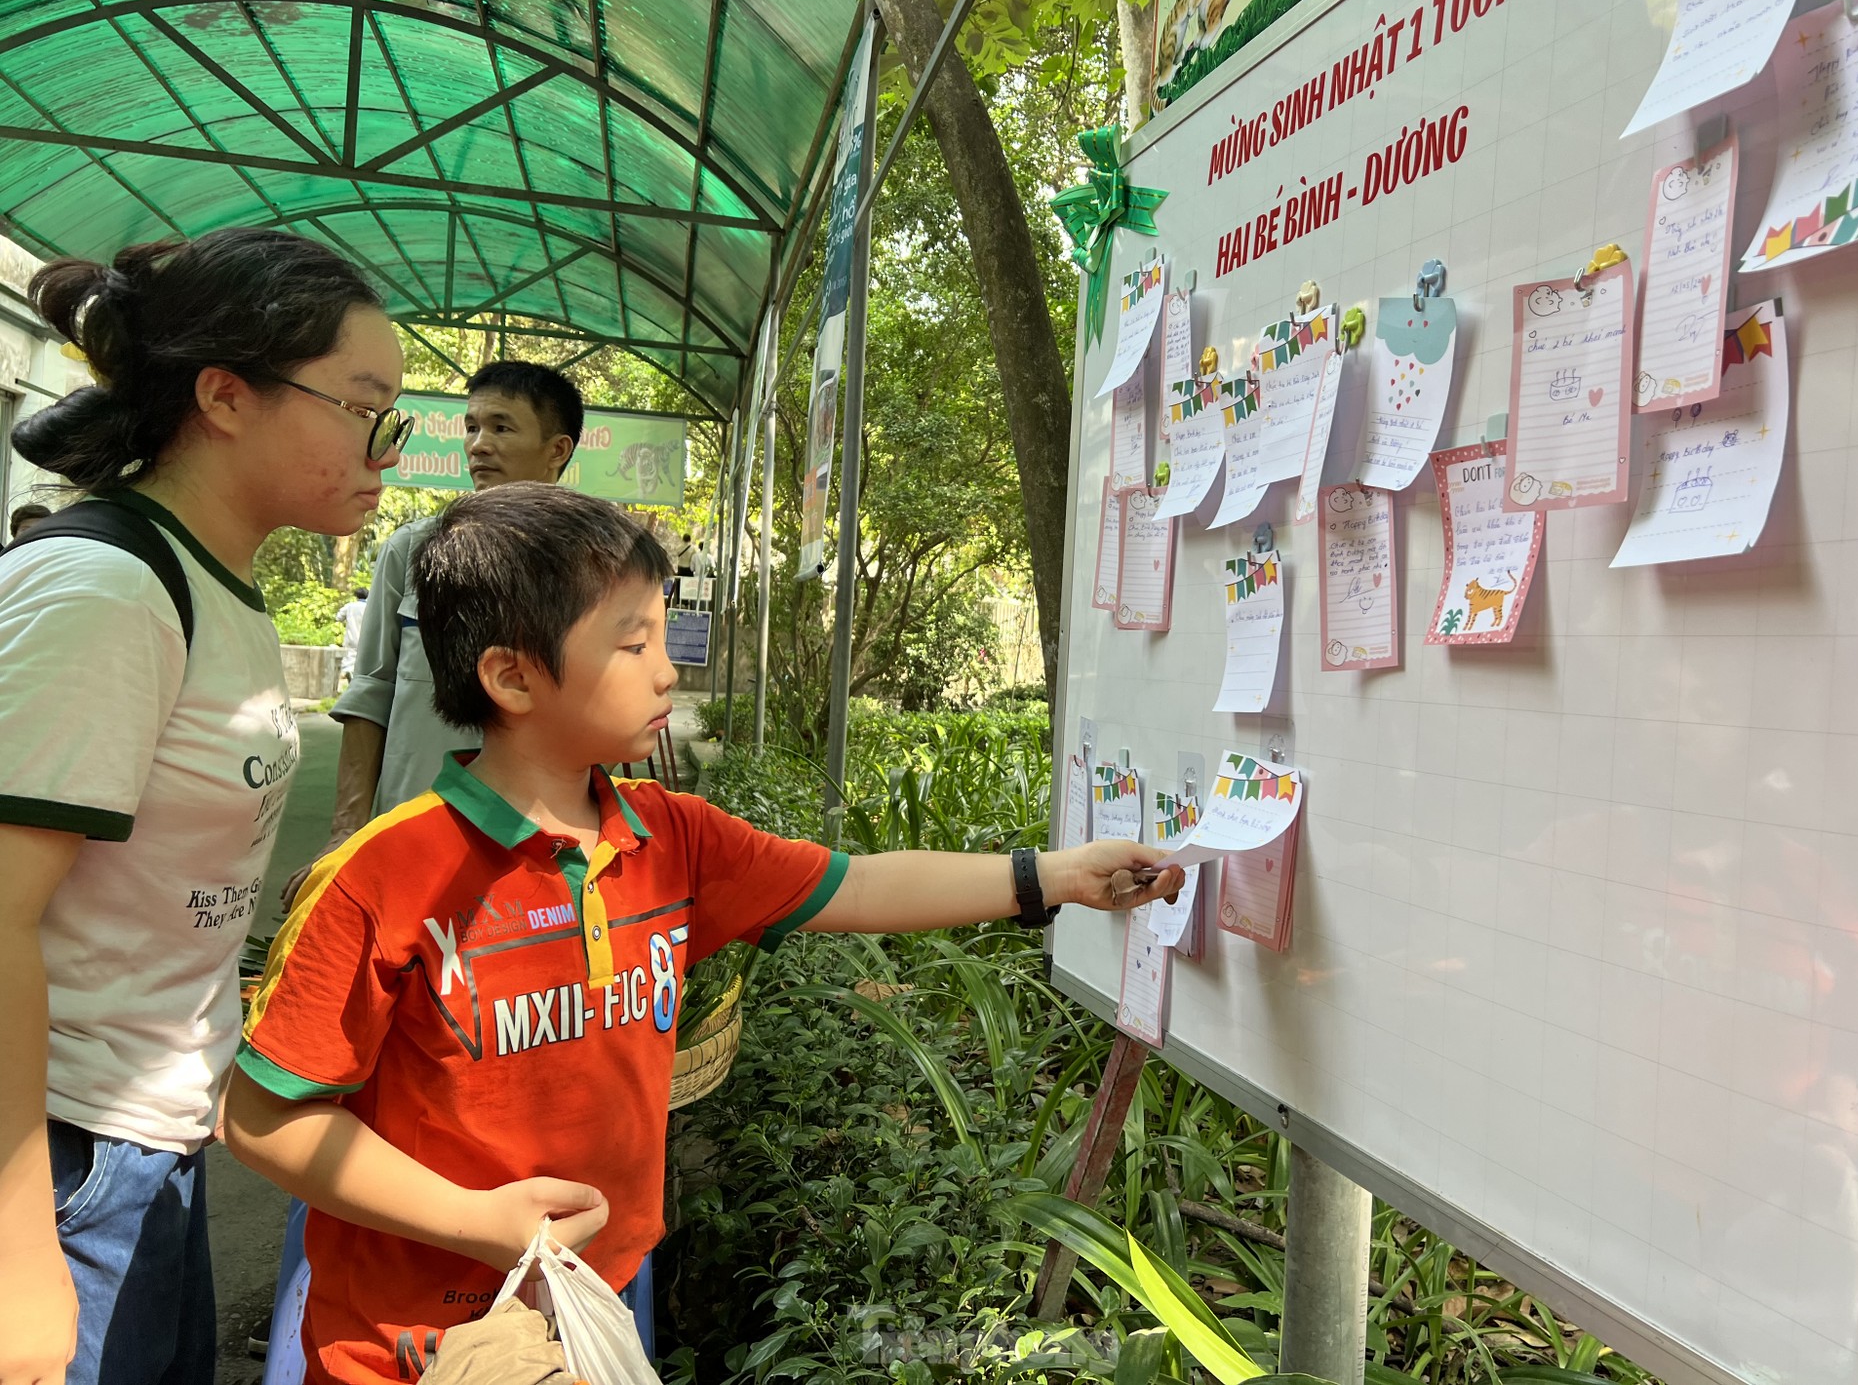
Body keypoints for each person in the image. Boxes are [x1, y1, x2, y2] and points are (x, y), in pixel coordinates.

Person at [223, 484, 1180, 1384]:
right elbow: (263, 1118)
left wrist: (1052, 877)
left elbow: (854, 885)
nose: (666, 667)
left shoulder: (671, 838)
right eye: (630, 641)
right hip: (419, 1342)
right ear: (511, 676)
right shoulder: (382, 880)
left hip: (602, 1290)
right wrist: (479, 1222)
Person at [0, 228, 407, 1383]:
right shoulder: (107, 590)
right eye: (365, 405)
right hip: (63, 1163)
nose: (390, 442)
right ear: (225, 397)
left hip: (143, 1142)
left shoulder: (208, 583)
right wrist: (17, 1244)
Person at [300, 362, 583, 899]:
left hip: (532, 852)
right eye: (472, 427)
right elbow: (371, 695)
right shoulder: (411, 550)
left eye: (502, 427)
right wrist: (346, 834)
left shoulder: (593, 570)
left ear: (557, 450)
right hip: (407, 835)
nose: (479, 444)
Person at [335, 586, 370, 685]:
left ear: (356, 596)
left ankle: (348, 673)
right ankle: (357, 677)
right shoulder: (369, 607)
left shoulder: (350, 606)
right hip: (365, 638)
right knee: (362, 658)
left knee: (349, 658)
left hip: (351, 637)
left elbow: (338, 617)